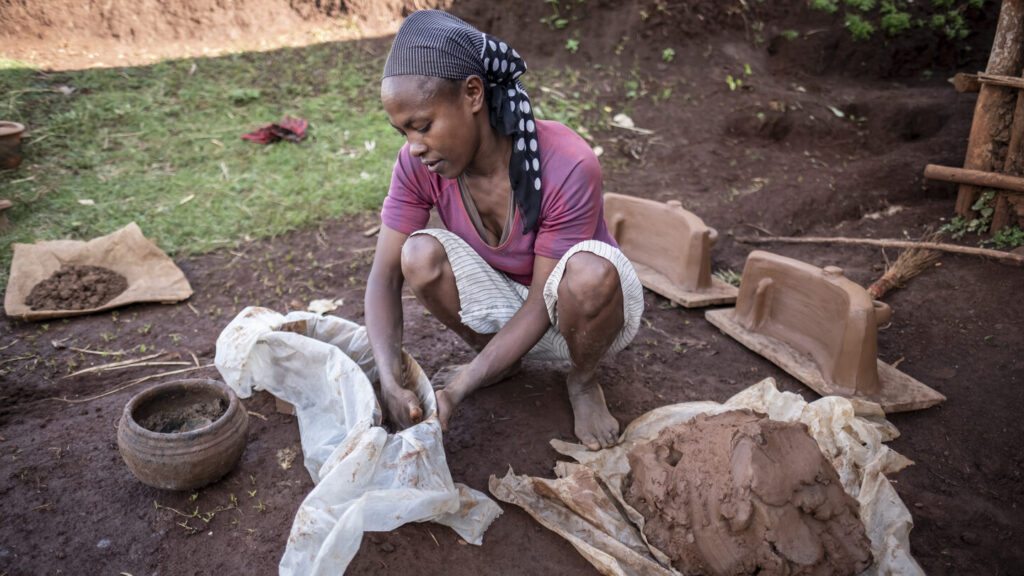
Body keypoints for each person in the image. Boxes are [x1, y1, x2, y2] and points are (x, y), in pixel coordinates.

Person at [365, 10, 644, 450]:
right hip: (505, 302)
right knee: (417, 256)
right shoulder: (419, 166)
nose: (414, 146)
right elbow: (383, 276)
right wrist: (389, 377)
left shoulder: (567, 164)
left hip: (582, 310)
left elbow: (540, 303)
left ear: (472, 93)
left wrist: (460, 388)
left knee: (589, 274)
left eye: (423, 126)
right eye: (402, 132)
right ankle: (498, 360)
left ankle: (584, 380)